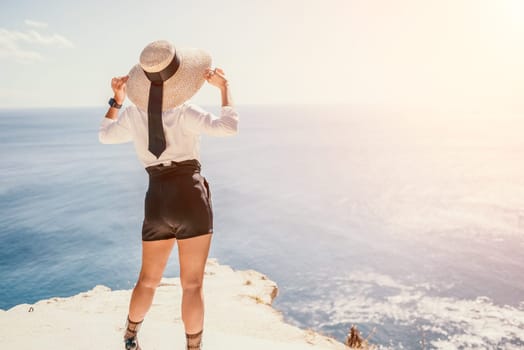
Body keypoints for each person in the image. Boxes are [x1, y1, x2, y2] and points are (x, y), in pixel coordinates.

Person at [98, 40, 238, 350]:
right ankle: (193, 347)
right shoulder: (186, 111)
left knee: (147, 280)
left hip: (157, 197)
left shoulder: (134, 116)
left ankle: (130, 336)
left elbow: (104, 136)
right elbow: (228, 127)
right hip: (190, 194)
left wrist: (117, 100)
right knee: (192, 285)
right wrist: (224, 88)